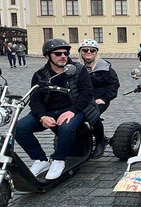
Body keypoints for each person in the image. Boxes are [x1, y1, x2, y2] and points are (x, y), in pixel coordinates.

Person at [16, 39, 100, 180]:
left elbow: (87, 94)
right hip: (48, 110)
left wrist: (72, 111)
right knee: (20, 128)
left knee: (66, 127)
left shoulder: (78, 70)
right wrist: (42, 116)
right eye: (58, 53)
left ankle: (59, 160)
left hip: (75, 109)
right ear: (47, 56)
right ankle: (40, 160)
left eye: (66, 53)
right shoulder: (40, 75)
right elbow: (35, 99)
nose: (63, 56)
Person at [78, 39, 120, 158]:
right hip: (82, 99)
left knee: (93, 115)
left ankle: (101, 141)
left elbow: (114, 85)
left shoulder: (104, 68)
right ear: (81, 52)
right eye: (85, 50)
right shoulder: (76, 67)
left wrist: (105, 98)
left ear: (96, 52)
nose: (89, 52)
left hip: (99, 99)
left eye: (92, 50)